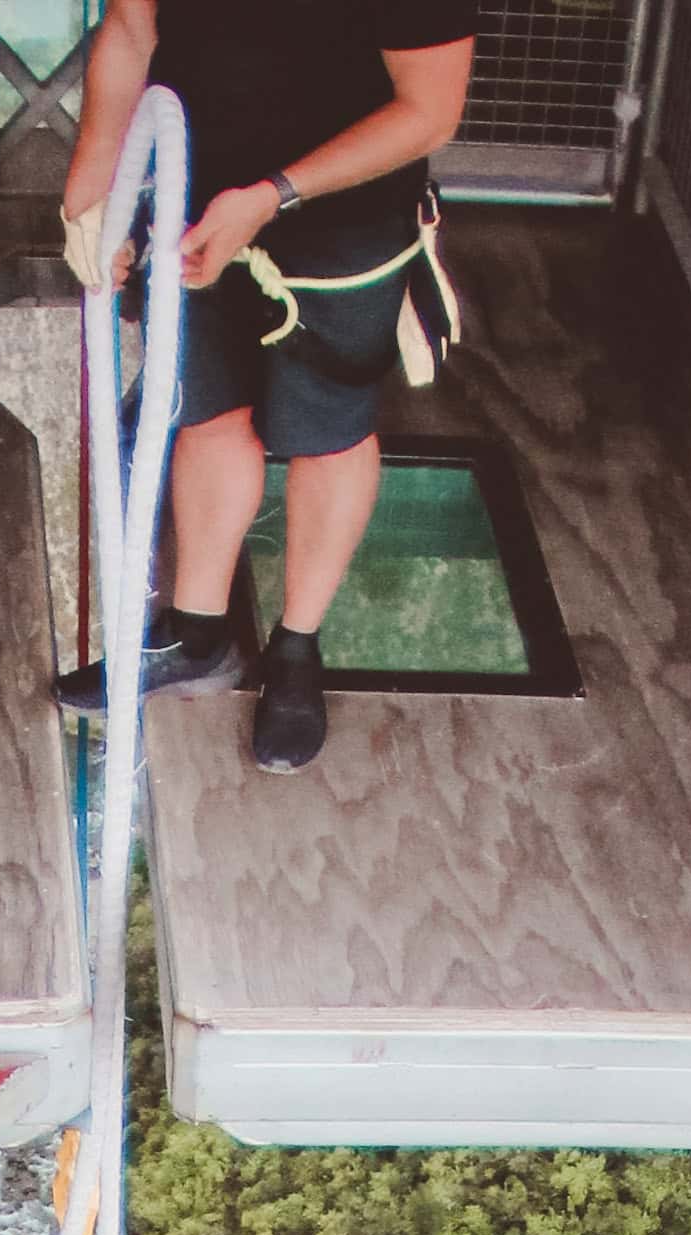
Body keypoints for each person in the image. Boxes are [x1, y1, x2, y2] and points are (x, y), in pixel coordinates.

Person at [55, 0, 477, 774]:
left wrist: (270, 196)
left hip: (344, 217)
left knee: (329, 428)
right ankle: (196, 633)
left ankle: (295, 649)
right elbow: (129, 29)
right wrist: (89, 192)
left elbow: (428, 111)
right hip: (193, 183)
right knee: (207, 413)